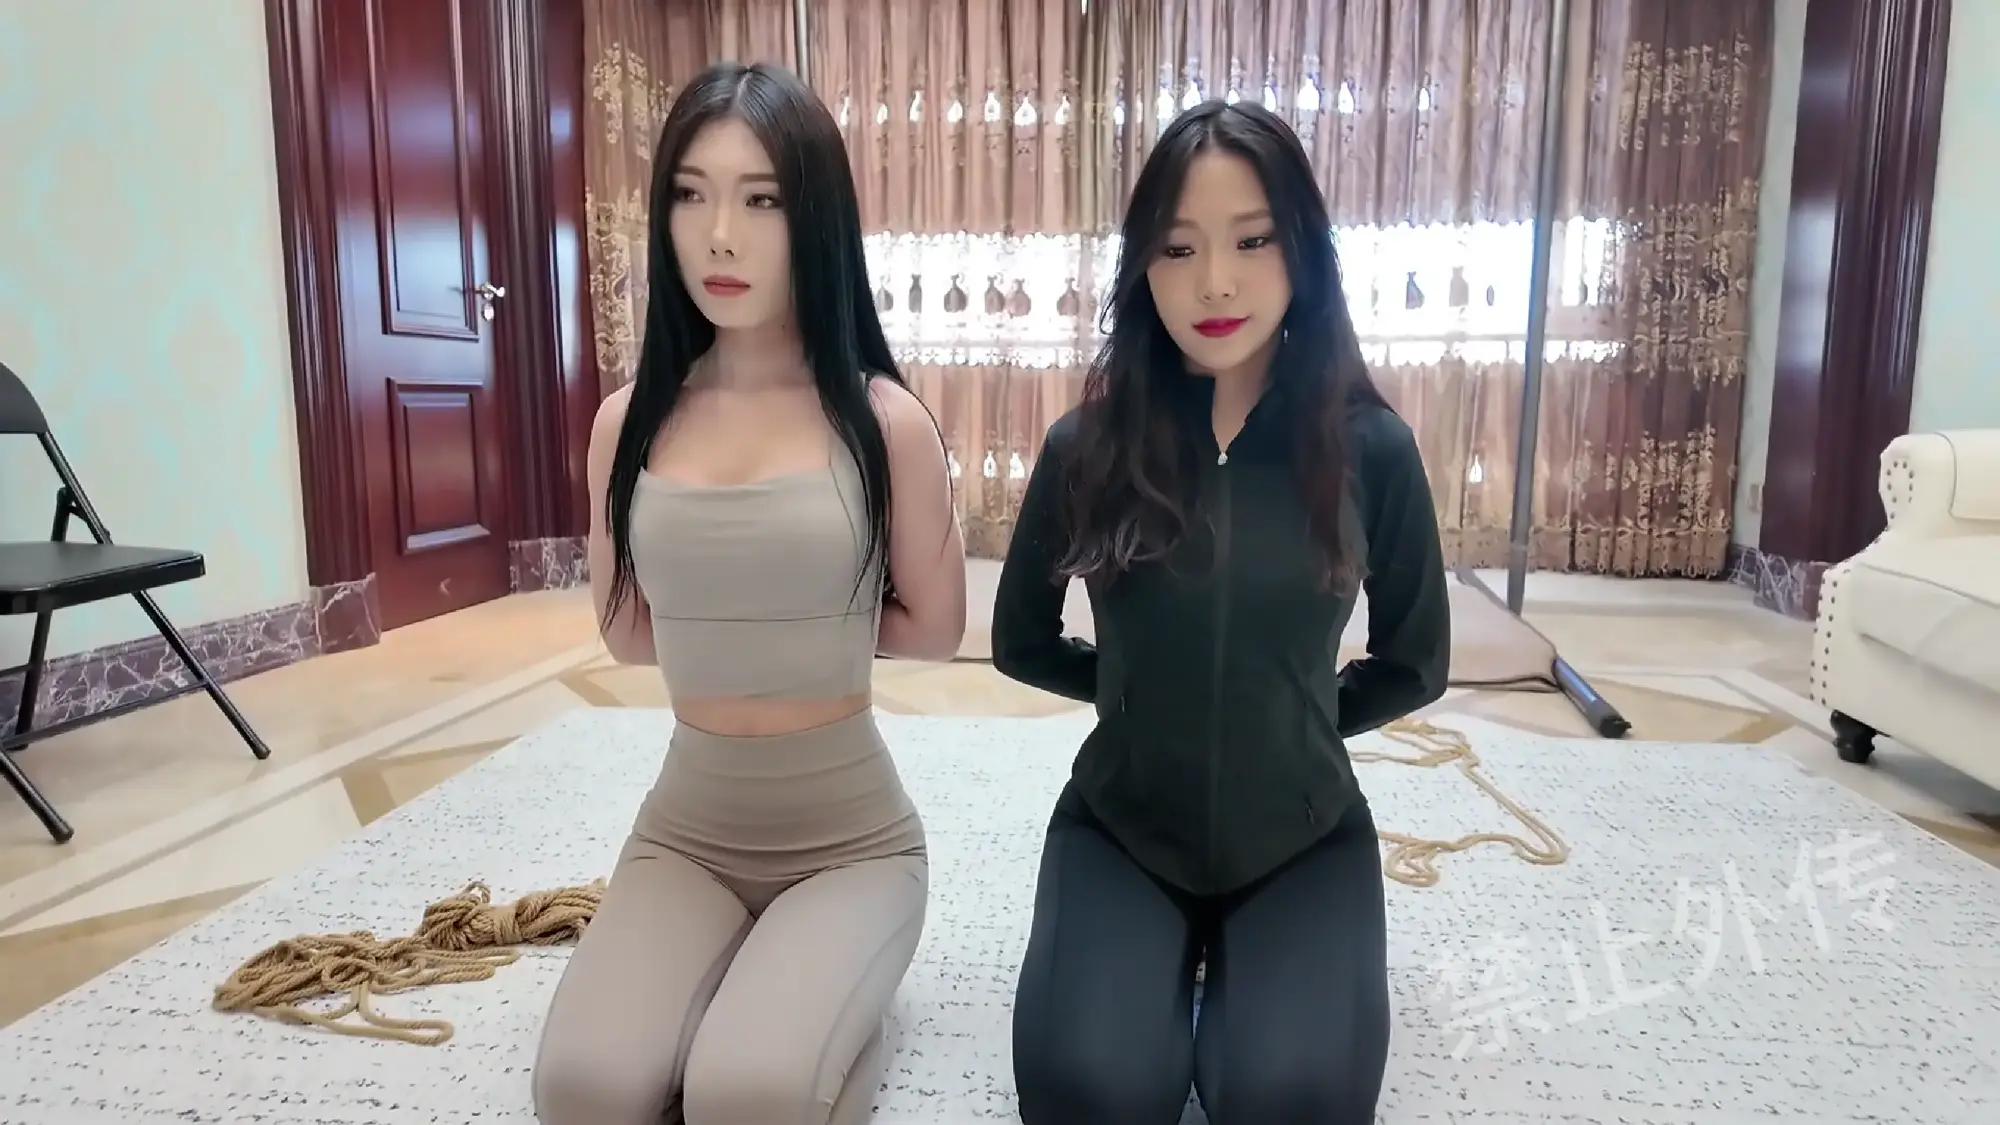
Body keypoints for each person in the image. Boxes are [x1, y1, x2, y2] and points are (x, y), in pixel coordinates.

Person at [992, 99, 1450, 1124]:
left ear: (1305, 253)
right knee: (1090, 1096)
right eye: (1176, 247)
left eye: (1252, 240)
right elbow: (1019, 641)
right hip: (1123, 823)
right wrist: (1138, 697)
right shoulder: (1083, 447)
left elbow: (1415, 662)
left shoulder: (1372, 449)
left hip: (1301, 829)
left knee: (1292, 1100)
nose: (1213, 282)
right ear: (1140, 267)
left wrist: (1287, 715)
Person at [532, 62, 966, 1125]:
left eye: (761, 199)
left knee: (745, 1095)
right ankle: (765, 996)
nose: (720, 235)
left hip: (852, 843)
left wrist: (801, 614)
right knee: (582, 1093)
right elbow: (628, 637)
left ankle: (815, 1014)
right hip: (685, 833)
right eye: (691, 194)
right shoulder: (626, 422)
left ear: (814, 217)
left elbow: (938, 629)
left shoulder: (885, 421)